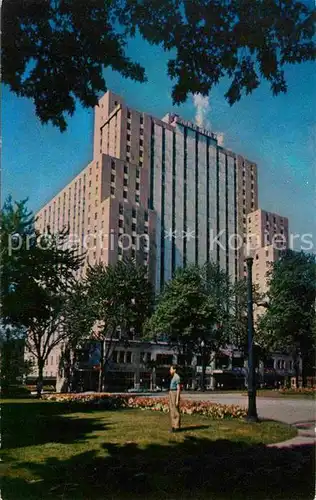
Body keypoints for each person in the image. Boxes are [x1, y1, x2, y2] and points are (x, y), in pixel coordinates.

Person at [169, 365, 181, 432]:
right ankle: (173, 426)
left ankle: (177, 427)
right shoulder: (173, 377)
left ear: (174, 370)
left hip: (174, 393)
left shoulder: (177, 377)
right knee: (172, 410)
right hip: (171, 392)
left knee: (175, 410)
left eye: (171, 369)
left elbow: (178, 389)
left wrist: (177, 399)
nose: (170, 371)